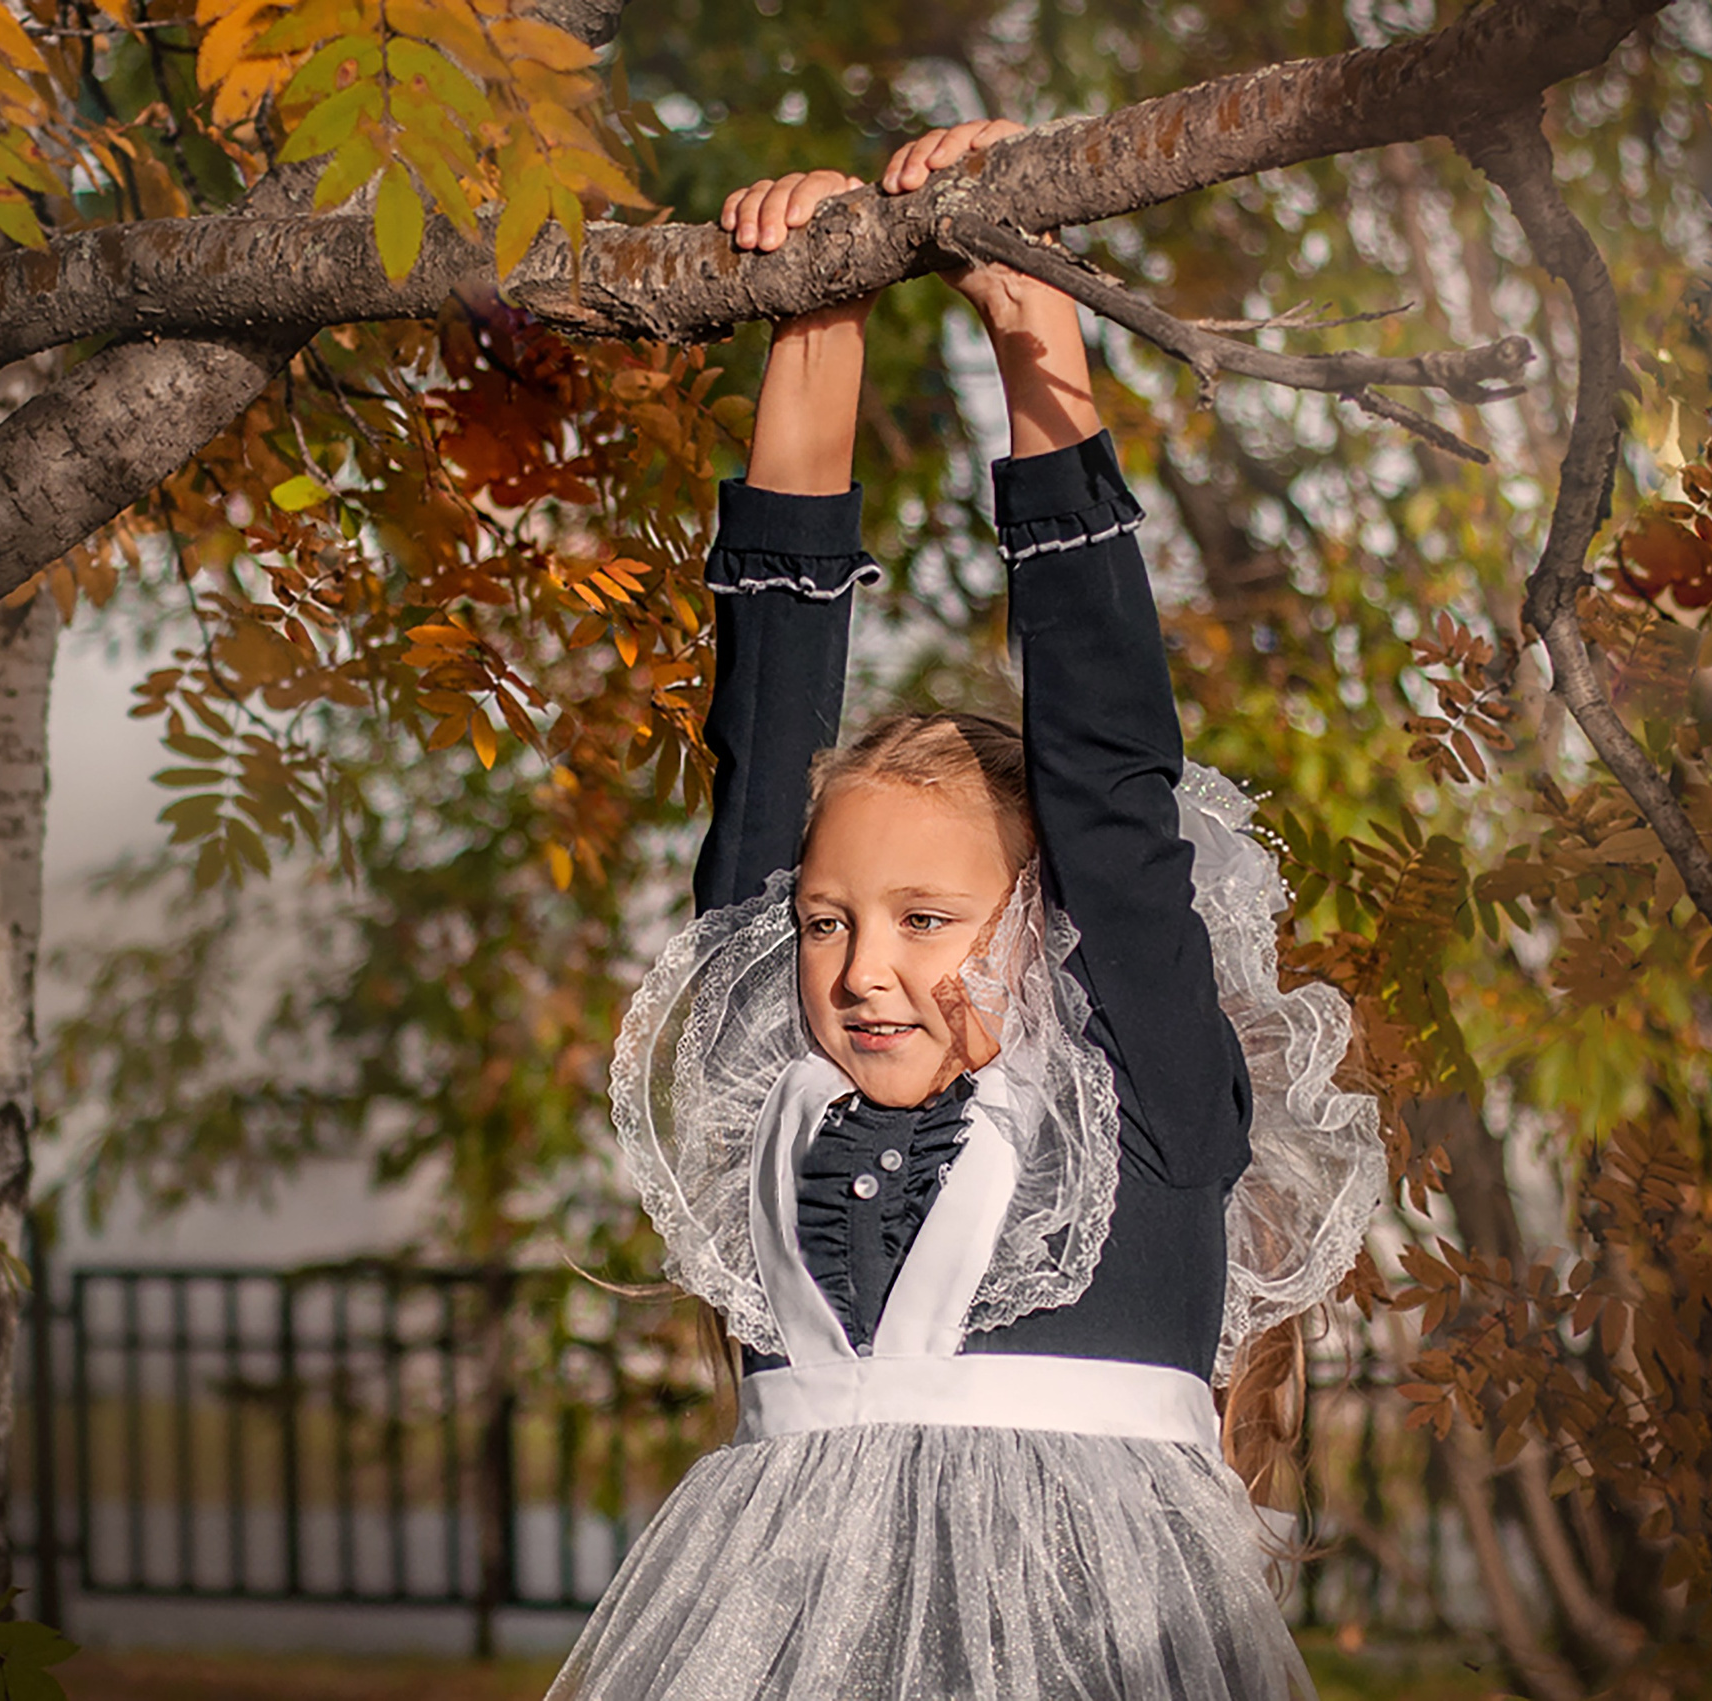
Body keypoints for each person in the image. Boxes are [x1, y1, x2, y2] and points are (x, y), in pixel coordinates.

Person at [553, 120, 1381, 1701]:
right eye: (828, 921)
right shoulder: (769, 1077)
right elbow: (765, 722)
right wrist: (816, 311)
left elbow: (1110, 774)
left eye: (927, 919)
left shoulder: (1140, 1097)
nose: (863, 969)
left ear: (1047, 923)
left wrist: (1031, 310)